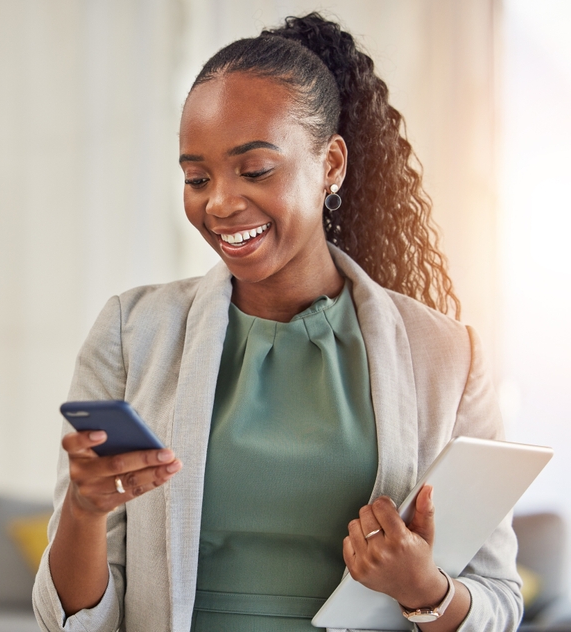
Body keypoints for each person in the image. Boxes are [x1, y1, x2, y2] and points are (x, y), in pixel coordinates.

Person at [32, 12, 522, 632]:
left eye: (255, 170)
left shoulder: (447, 357)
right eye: (196, 178)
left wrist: (424, 589)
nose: (219, 203)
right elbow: (69, 621)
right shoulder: (133, 333)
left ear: (332, 165)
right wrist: (83, 510)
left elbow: (500, 600)